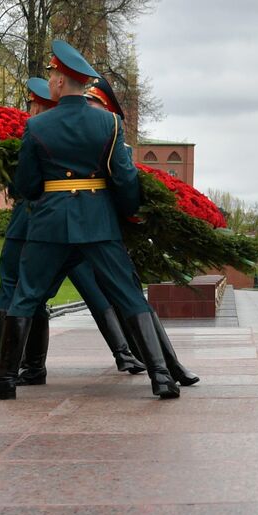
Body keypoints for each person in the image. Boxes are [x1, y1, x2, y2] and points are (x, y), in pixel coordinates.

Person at [0, 40, 178, 400]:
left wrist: (47, 195)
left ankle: (5, 380)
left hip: (49, 223)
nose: (52, 79)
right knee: (129, 294)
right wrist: (126, 212)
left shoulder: (37, 126)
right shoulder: (110, 122)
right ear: (81, 83)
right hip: (98, 221)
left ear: (58, 82)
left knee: (26, 296)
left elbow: (25, 183)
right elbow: (124, 178)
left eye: (53, 74)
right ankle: (162, 378)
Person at [0, 77, 144, 383]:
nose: (32, 108)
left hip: (41, 224)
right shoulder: (75, 128)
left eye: (34, 103)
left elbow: (28, 184)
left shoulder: (41, 129)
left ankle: (4, 363)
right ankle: (128, 355)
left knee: (21, 290)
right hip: (82, 222)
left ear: (44, 102)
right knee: (95, 290)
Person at [85, 76, 198, 387]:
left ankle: (166, 368)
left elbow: (123, 185)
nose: (88, 110)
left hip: (98, 232)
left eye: (94, 105)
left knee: (129, 294)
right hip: (56, 233)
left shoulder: (113, 139)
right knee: (24, 295)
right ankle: (6, 372)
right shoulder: (63, 130)